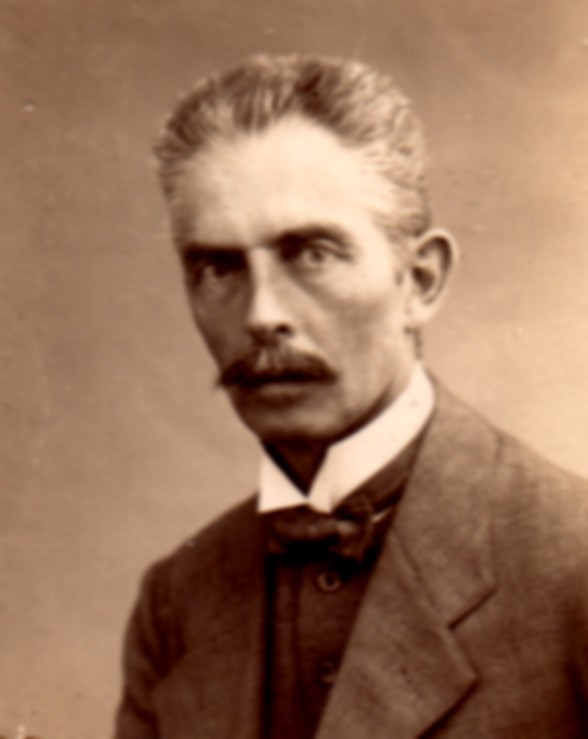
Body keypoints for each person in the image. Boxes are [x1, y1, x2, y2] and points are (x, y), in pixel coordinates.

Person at [114, 54, 588, 738]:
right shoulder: (176, 602)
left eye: (312, 254)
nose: (261, 315)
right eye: (218, 267)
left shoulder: (574, 562)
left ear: (420, 281)